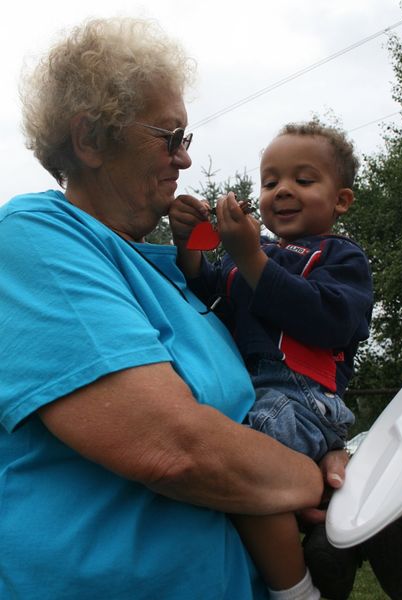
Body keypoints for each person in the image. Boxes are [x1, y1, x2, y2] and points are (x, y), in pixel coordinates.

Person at [0, 17, 352, 600]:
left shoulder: (169, 276)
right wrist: (308, 476)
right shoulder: (35, 238)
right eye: (170, 137)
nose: (185, 161)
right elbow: (177, 449)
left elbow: (248, 416)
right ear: (90, 140)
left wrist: (319, 438)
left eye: (185, 140)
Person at [168, 121, 402, 600]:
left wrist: (249, 258)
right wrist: (188, 241)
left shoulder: (341, 256)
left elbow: (329, 319)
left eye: (303, 181)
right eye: (270, 182)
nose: (282, 191)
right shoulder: (254, 252)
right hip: (256, 392)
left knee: (240, 462)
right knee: (243, 471)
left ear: (341, 200)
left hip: (303, 396)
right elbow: (206, 292)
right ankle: (346, 538)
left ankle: (296, 590)